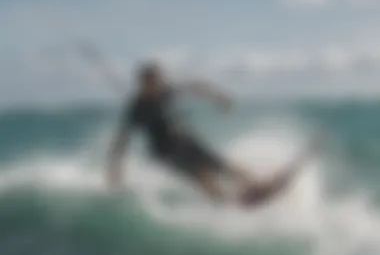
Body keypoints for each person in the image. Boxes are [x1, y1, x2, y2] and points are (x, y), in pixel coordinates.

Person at [106, 62, 319, 206]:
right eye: (151, 83)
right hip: (164, 152)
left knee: (223, 165)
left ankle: (258, 185)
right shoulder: (136, 108)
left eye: (158, 81)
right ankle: (229, 204)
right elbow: (121, 141)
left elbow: (196, 86)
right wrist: (115, 170)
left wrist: (219, 97)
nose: (157, 86)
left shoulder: (165, 91)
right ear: (142, 84)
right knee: (203, 177)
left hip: (185, 140)